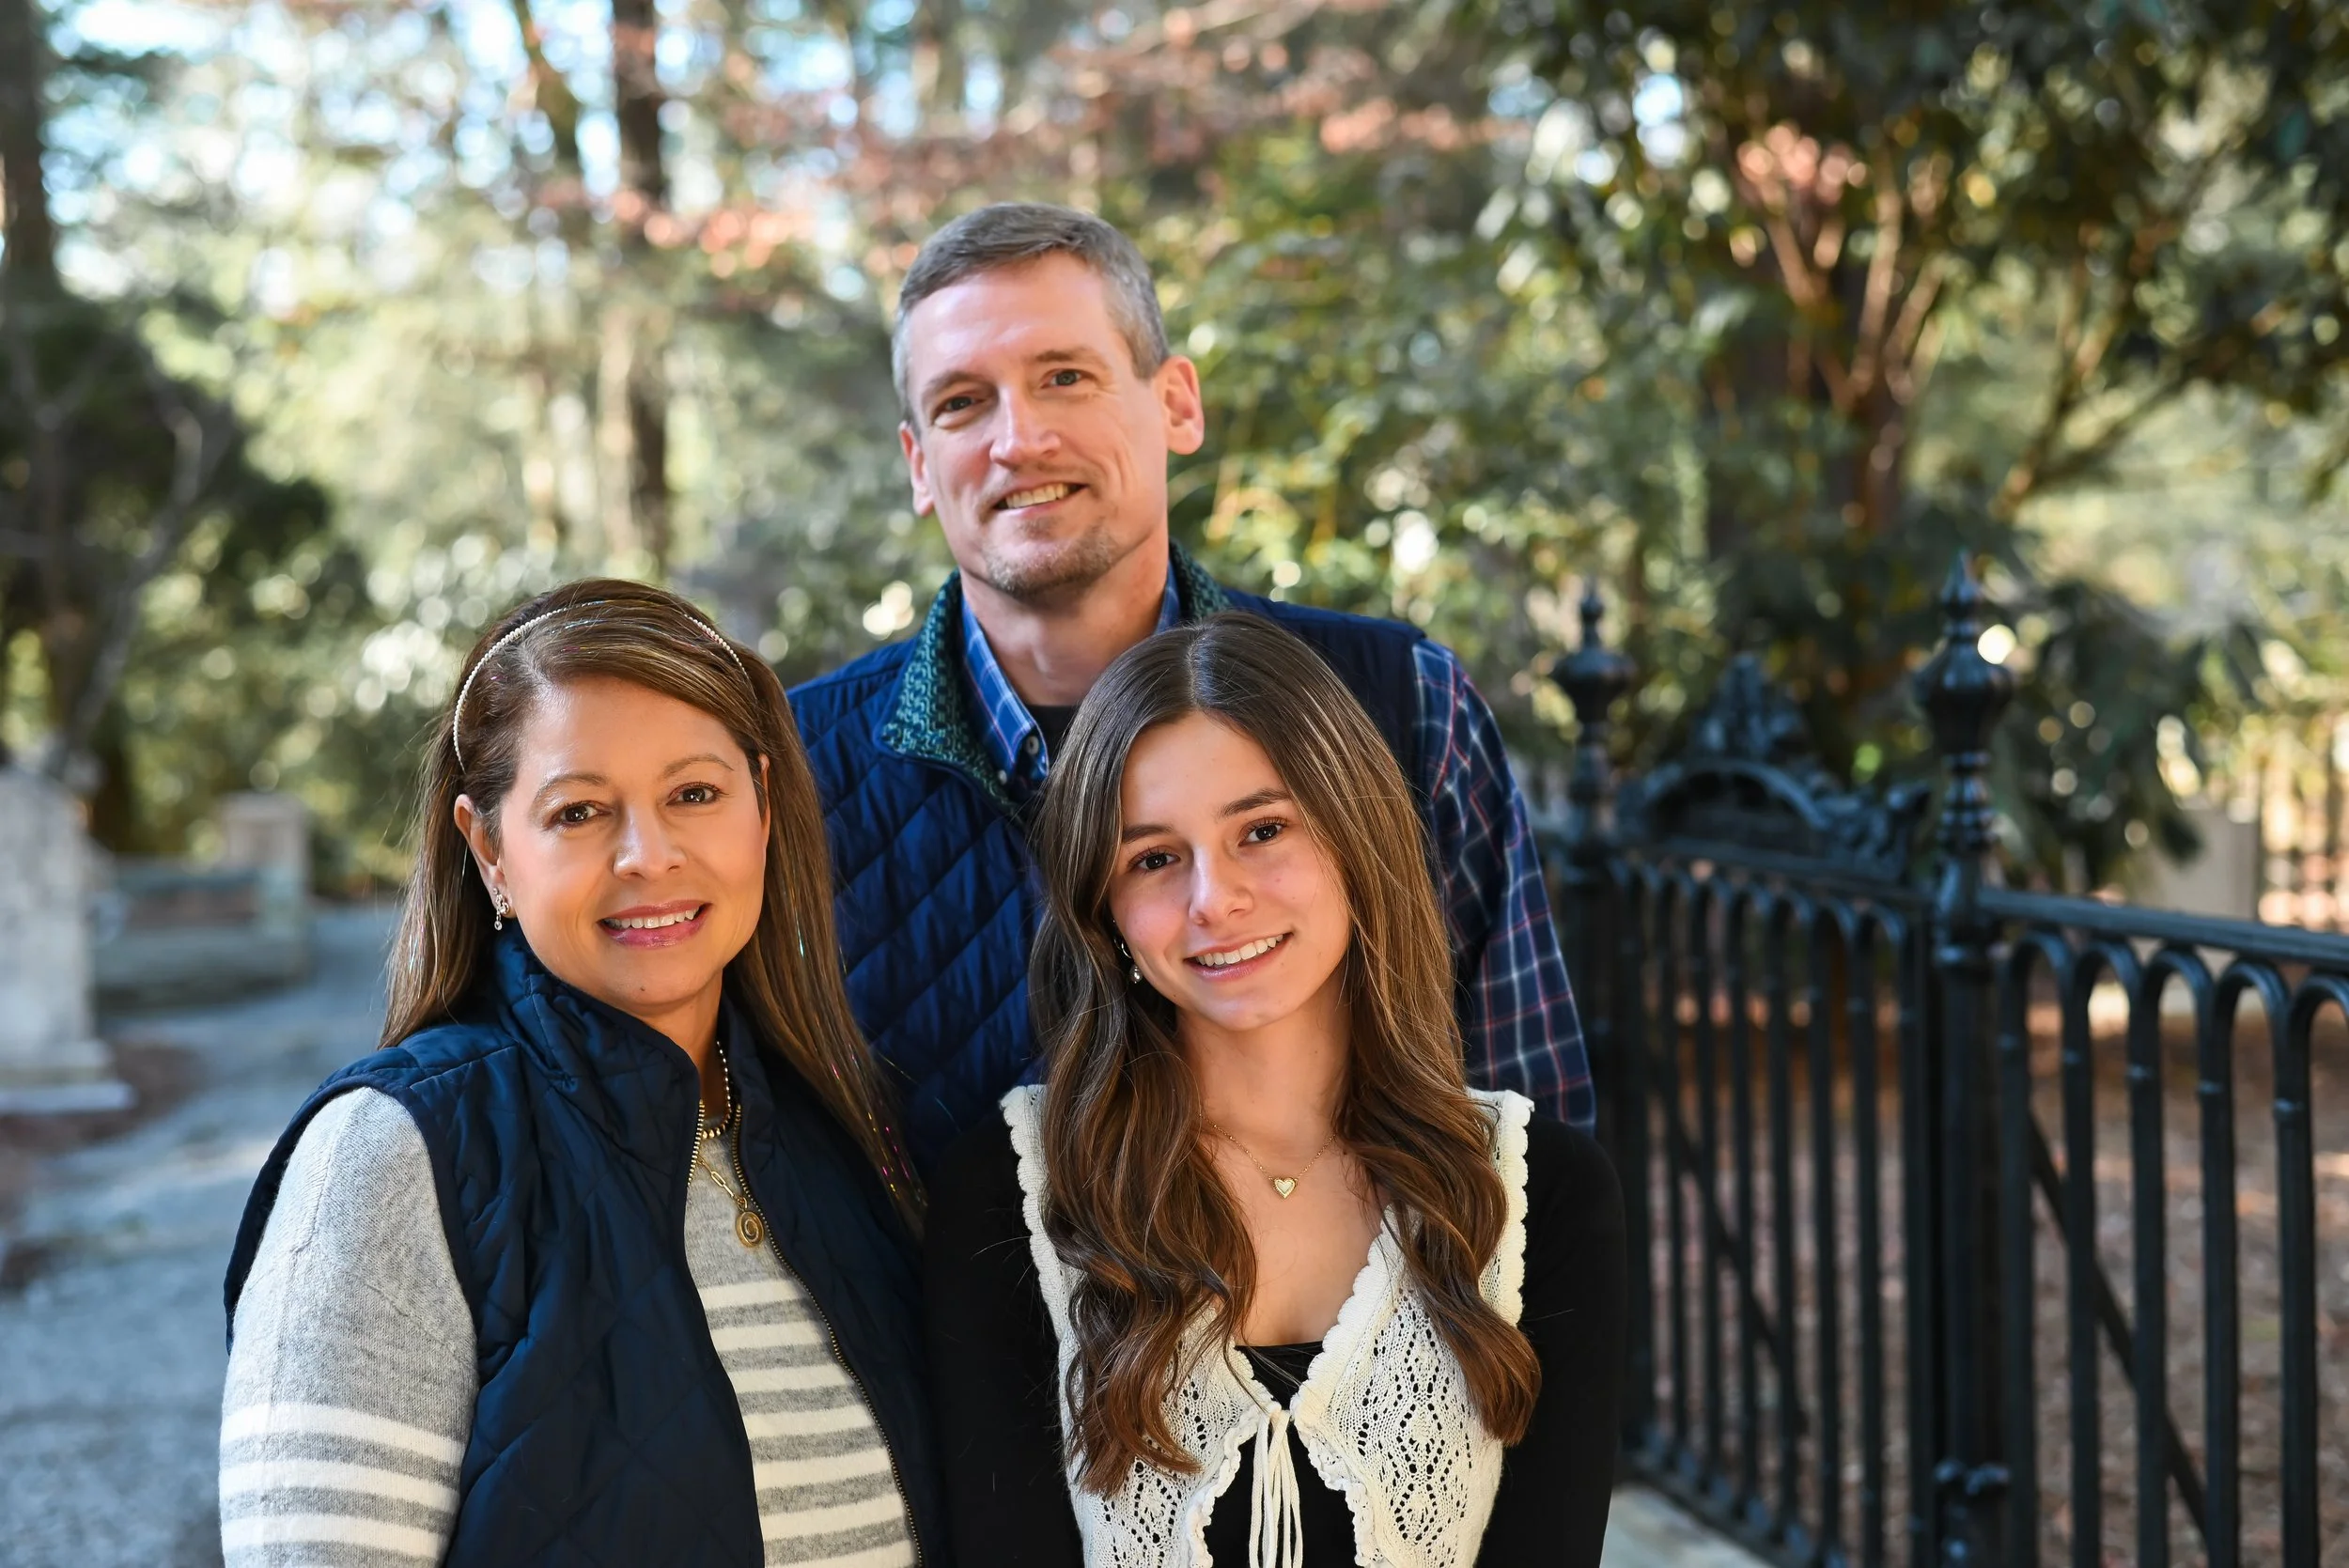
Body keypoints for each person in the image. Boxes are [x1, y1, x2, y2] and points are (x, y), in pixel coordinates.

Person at [790, 202, 1593, 1175]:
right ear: (921, 464)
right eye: (962, 402)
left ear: (1175, 403)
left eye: (1065, 377)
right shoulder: (795, 771)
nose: (1018, 440)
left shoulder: (1399, 704)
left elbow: (1528, 1140)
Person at [218, 581, 943, 1568]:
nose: (649, 855)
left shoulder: (843, 1133)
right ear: (490, 851)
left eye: (694, 793)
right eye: (579, 811)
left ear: (762, 808)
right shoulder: (390, 1158)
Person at [923, 613, 1626, 1567]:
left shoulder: (1542, 1192)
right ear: (1106, 910)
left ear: (1352, 834)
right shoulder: (1008, 1196)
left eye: (1262, 829)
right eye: (1154, 858)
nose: (1213, 897)